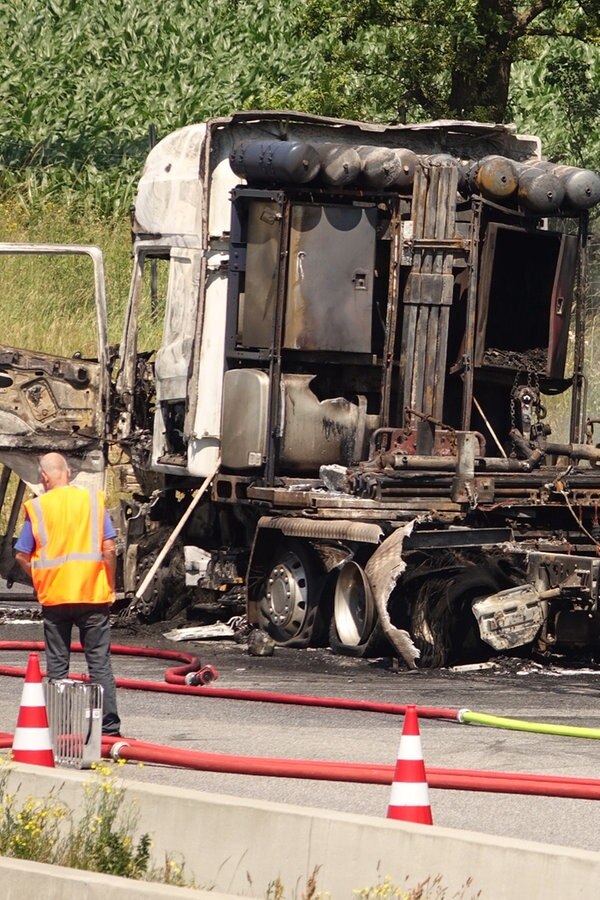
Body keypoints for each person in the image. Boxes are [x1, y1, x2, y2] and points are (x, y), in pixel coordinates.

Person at [14, 452, 121, 736]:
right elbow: (109, 548)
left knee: (57, 667)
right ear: (68, 474)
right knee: (99, 665)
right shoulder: (93, 501)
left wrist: (40, 580)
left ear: (45, 477)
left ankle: (59, 730)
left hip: (56, 598)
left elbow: (22, 554)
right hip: (93, 595)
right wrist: (108, 583)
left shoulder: (38, 508)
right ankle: (108, 731)